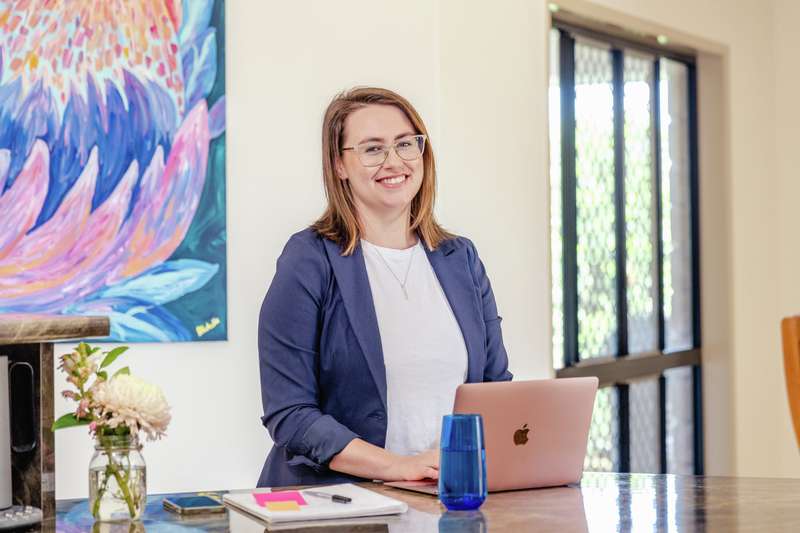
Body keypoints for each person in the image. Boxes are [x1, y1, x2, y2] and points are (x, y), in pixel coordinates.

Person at [257, 87, 512, 487]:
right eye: (372, 149)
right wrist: (397, 467)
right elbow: (290, 414)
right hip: (339, 509)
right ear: (339, 164)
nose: (394, 161)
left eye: (406, 144)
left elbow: (496, 390)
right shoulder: (309, 259)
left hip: (448, 500)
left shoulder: (460, 259)